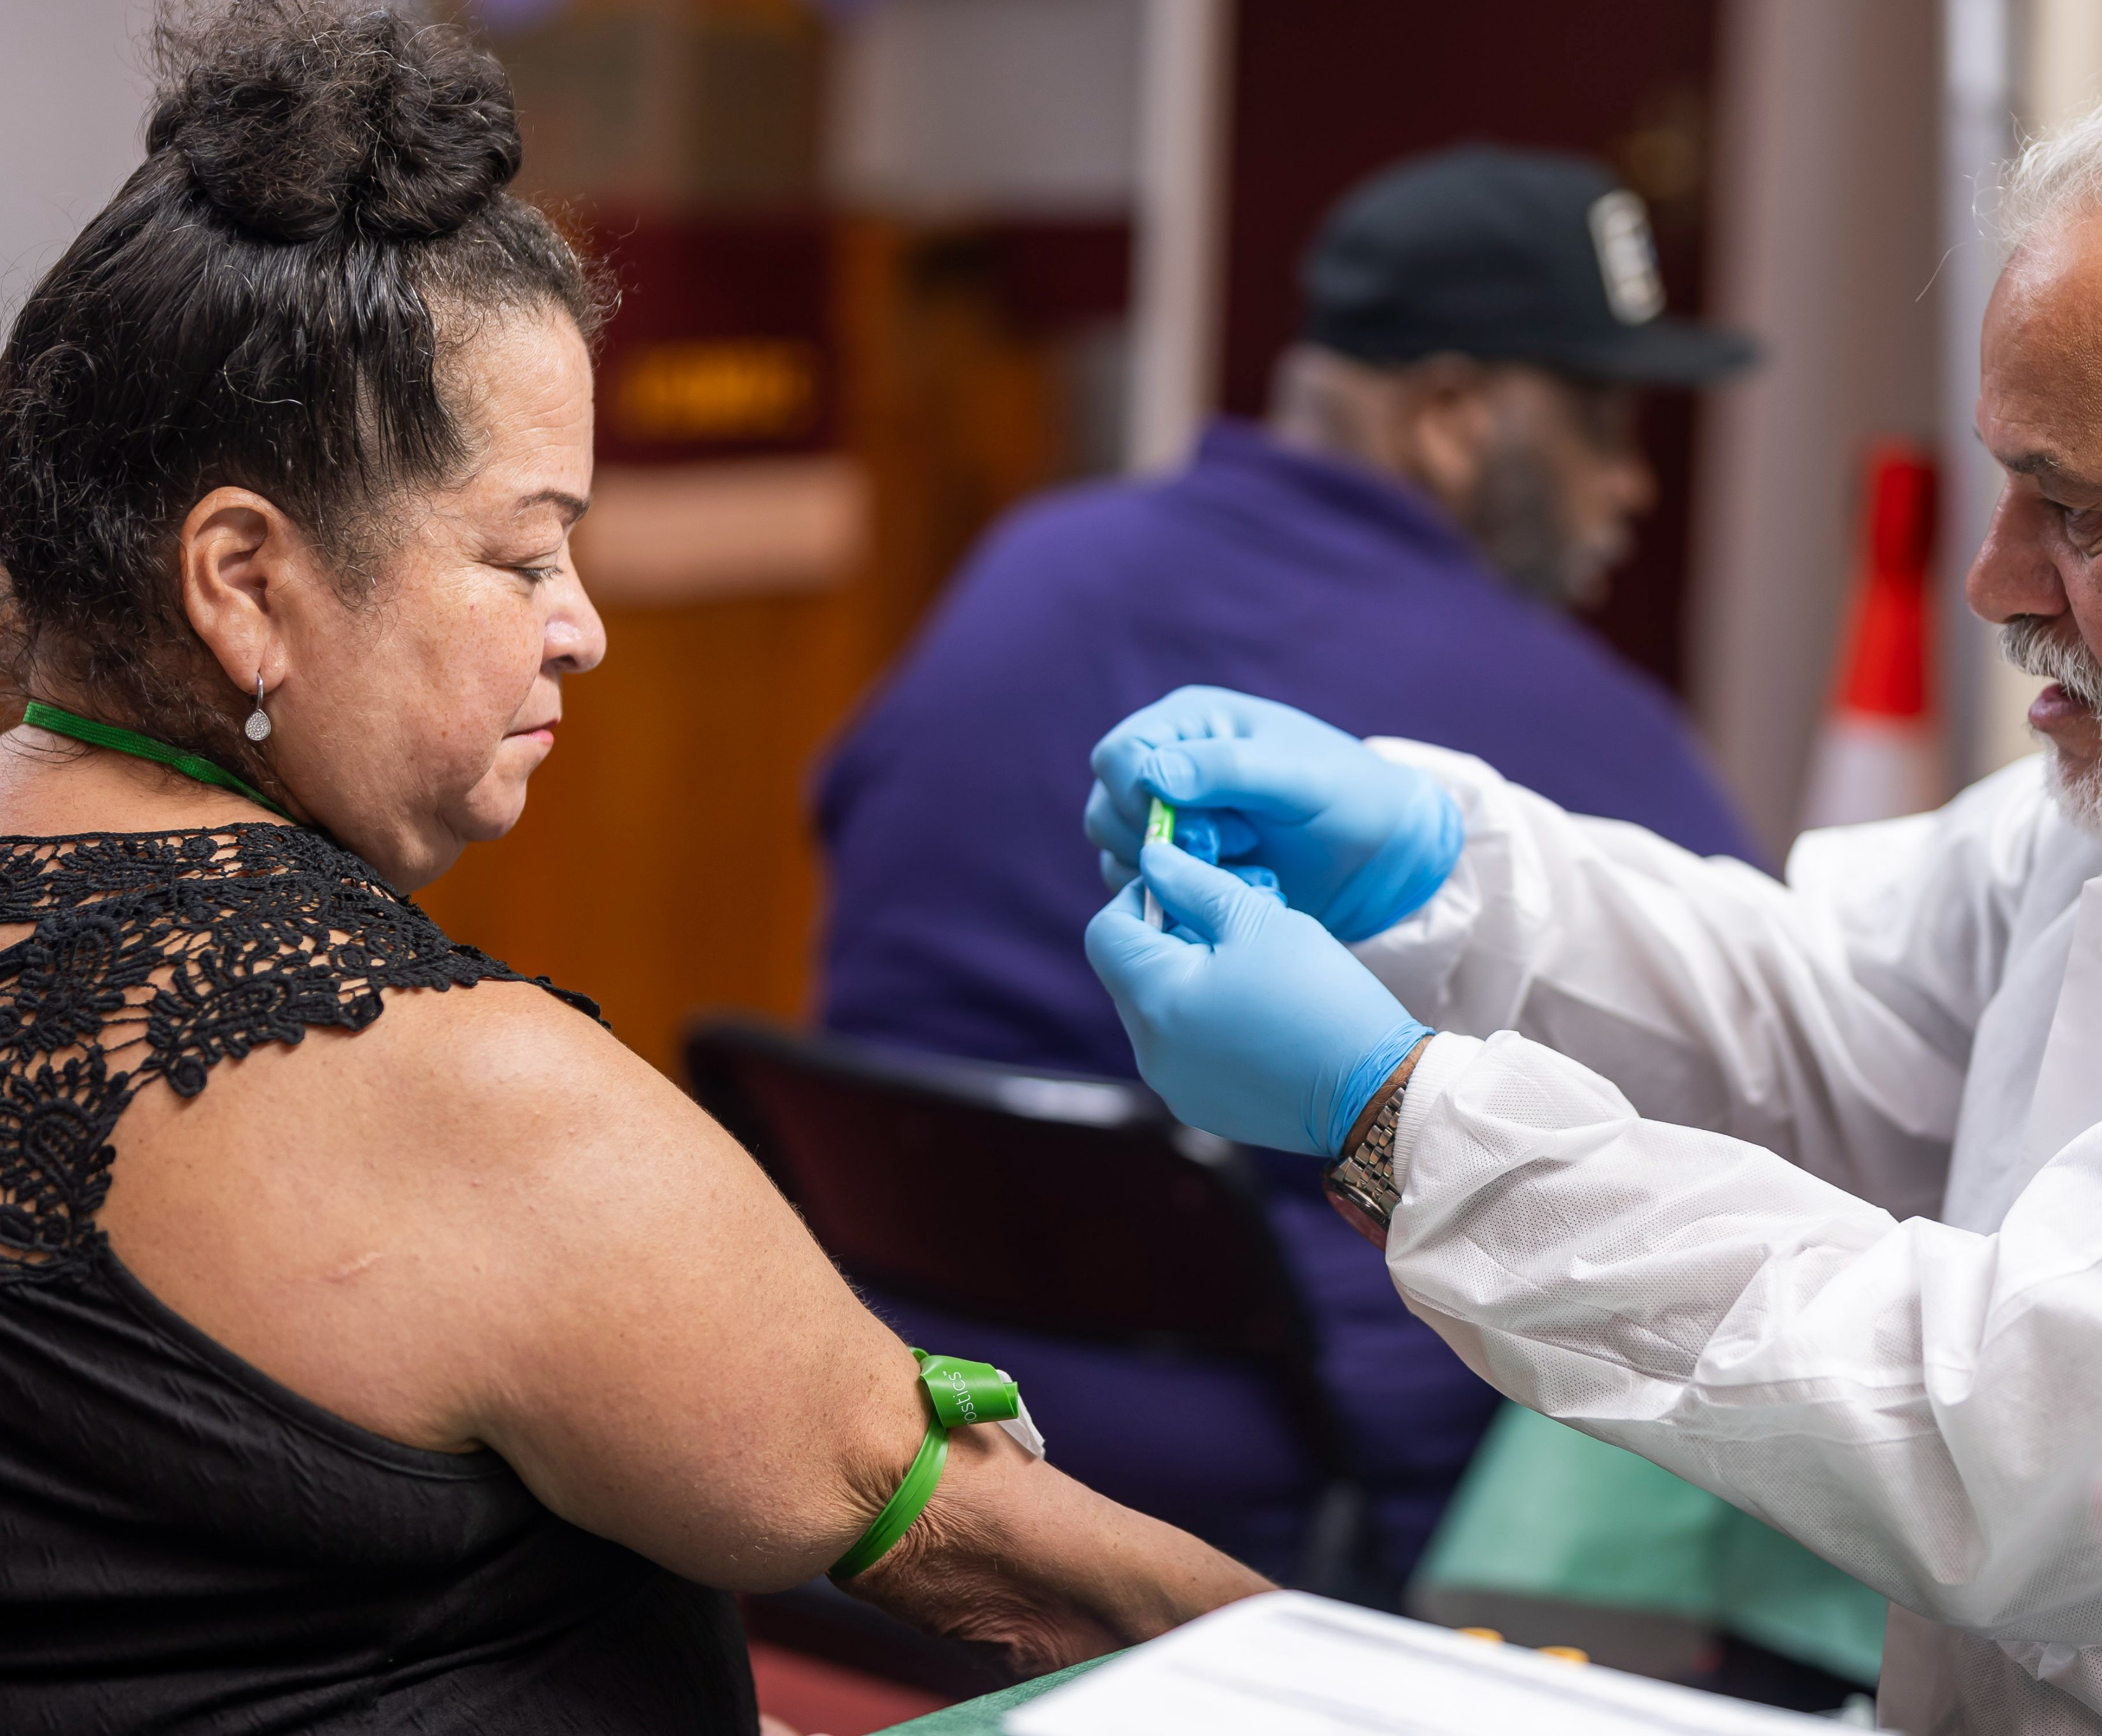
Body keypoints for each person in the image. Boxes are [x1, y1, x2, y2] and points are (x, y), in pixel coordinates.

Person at [1081, 69, 2102, 1736]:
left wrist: (1400, 1116)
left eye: (2078, 512)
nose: (1997, 581)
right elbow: (1843, 1005)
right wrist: (1447, 867)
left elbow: (2014, 1429)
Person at [0, 7, 1265, 1728]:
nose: (581, 630)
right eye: (524, 556)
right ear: (244, 578)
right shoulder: (461, 1099)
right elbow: (1024, 1569)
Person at [811, 146, 1757, 1590]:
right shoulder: (1566, 720)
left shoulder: (1026, 563)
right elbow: (1752, 1101)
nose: (1629, 483)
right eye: (1601, 419)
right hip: (1285, 1509)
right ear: (1450, 417)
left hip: (889, 1410)